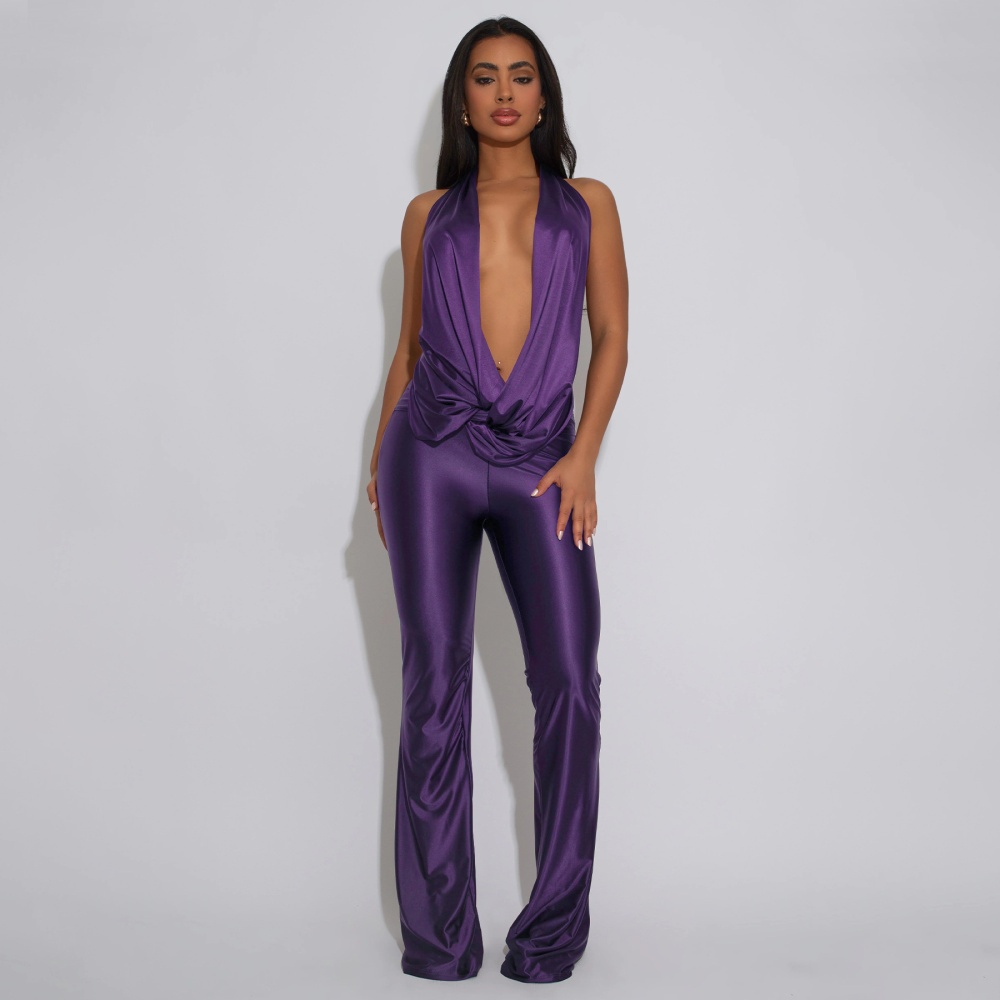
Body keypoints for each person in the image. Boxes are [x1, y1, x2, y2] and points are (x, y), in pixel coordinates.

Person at [366, 16, 628, 984]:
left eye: (522, 76)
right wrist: (377, 466)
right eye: (485, 77)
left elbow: (613, 334)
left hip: (542, 462)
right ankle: (440, 940)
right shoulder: (426, 213)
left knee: (568, 685)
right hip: (428, 454)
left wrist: (584, 455)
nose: (505, 92)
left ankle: (551, 931)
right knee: (431, 687)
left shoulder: (587, 203)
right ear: (463, 100)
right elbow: (407, 352)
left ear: (544, 95)